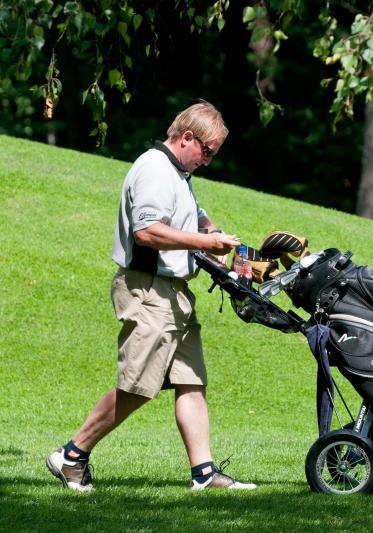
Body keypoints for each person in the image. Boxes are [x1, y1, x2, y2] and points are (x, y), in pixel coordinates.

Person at [46, 100, 256, 492]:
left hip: (175, 293)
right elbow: (148, 233)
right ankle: (71, 455)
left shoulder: (177, 173)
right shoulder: (154, 168)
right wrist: (205, 243)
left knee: (191, 382)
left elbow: (189, 216)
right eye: (206, 151)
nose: (207, 161)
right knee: (137, 386)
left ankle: (204, 474)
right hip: (147, 289)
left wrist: (212, 232)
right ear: (187, 138)